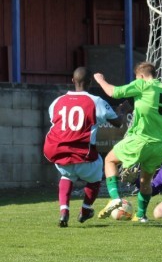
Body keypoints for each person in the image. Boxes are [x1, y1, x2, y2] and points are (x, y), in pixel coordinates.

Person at [93, 61, 162, 222]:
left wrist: (100, 80)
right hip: (160, 145)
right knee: (146, 180)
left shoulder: (142, 84)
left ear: (140, 76)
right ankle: (141, 215)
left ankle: (115, 198)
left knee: (110, 160)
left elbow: (113, 92)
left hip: (141, 140)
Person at [43, 67, 124, 228]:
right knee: (95, 177)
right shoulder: (96, 101)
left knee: (67, 177)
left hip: (59, 153)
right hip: (83, 154)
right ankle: (86, 209)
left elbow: (56, 122)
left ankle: (64, 211)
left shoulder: (57, 101)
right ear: (90, 82)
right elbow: (117, 122)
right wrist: (123, 110)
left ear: (73, 81)